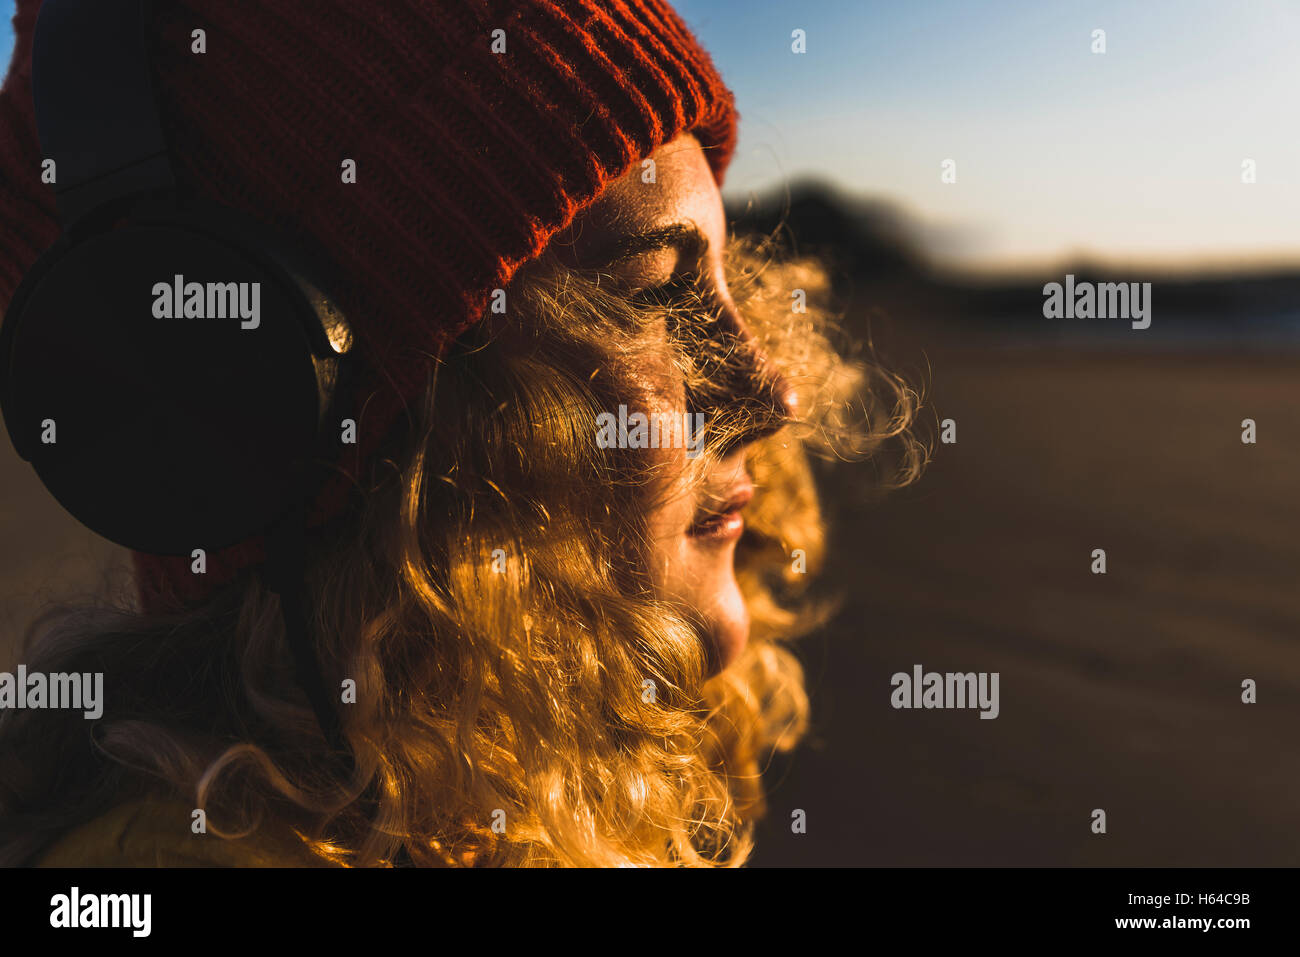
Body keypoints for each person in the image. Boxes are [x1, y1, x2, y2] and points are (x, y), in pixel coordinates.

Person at [0, 0, 925, 866]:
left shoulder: (488, 787)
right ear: (256, 403)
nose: (774, 393)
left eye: (725, 279)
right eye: (654, 297)